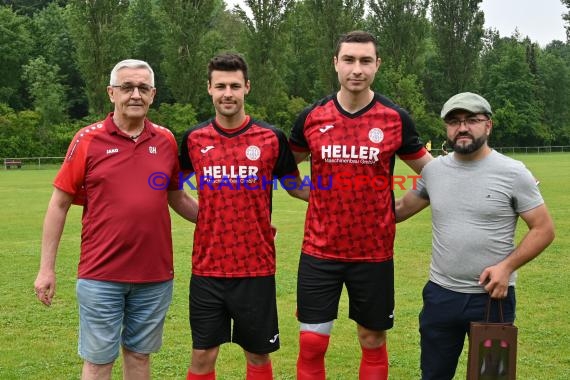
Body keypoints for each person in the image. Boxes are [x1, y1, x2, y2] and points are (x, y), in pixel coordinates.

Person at [33, 59, 199, 380]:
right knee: (98, 362)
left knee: (139, 357)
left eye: (143, 88)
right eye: (127, 87)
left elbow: (177, 197)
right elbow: (59, 204)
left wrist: (221, 222)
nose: (135, 94)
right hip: (100, 275)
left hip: (154, 276)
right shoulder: (88, 139)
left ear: (153, 94)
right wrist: (46, 268)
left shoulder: (165, 140)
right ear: (112, 93)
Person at [289, 30, 432, 379]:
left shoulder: (394, 118)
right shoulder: (312, 117)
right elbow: (285, 170)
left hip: (373, 254)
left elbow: (435, 174)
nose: (357, 69)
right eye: (349, 60)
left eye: (365, 61)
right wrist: (317, 194)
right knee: (312, 341)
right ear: (335, 63)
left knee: (371, 338)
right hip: (320, 251)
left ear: (377, 65)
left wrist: (398, 209)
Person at [395, 92, 555, 380]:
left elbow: (544, 229)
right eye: (454, 121)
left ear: (488, 125)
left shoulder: (513, 172)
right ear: (447, 128)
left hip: (492, 298)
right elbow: (400, 209)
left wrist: (506, 268)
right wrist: (341, 202)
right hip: (440, 296)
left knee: (491, 377)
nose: (463, 127)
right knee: (433, 375)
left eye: (472, 119)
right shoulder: (434, 171)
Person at [179, 53, 308, 380]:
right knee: (202, 355)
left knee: (258, 355)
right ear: (209, 88)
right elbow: (172, 191)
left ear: (246, 88)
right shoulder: (194, 139)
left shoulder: (270, 138)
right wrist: (208, 218)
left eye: (235, 85)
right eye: (220, 85)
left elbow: (296, 187)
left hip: (255, 267)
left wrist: (341, 194)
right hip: (208, 267)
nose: (228, 93)